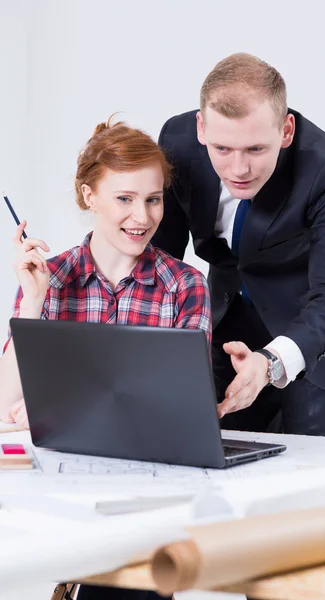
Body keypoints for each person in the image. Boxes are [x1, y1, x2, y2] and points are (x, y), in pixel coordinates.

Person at [0, 118, 211, 600]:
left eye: (153, 199)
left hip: (147, 505)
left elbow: (182, 414)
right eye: (124, 198)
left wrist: (56, 410)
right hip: (62, 498)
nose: (142, 215)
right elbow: (4, 406)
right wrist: (32, 305)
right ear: (88, 196)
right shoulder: (49, 279)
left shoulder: (185, 287)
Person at [153, 52, 325, 438]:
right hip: (227, 317)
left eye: (256, 150)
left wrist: (272, 362)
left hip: (315, 328)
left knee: (307, 475)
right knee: (216, 452)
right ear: (201, 128)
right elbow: (160, 260)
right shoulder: (178, 141)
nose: (238, 169)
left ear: (286, 131)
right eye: (222, 149)